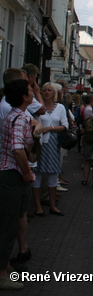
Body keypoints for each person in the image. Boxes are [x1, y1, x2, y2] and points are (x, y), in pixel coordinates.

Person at [0, 79, 36, 291]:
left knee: (9, 222)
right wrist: (26, 172)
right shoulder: (20, 118)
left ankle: (4, 265)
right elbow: (17, 149)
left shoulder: (12, 116)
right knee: (7, 225)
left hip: (7, 173)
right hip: (11, 176)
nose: (32, 93)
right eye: (30, 90)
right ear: (24, 96)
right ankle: (2, 274)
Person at [32, 82, 69, 217]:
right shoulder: (37, 107)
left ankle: (52, 205)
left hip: (53, 143)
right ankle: (38, 206)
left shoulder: (60, 108)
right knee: (37, 174)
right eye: (44, 90)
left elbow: (64, 126)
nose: (47, 92)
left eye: (49, 90)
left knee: (53, 173)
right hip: (39, 143)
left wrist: (50, 128)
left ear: (54, 93)